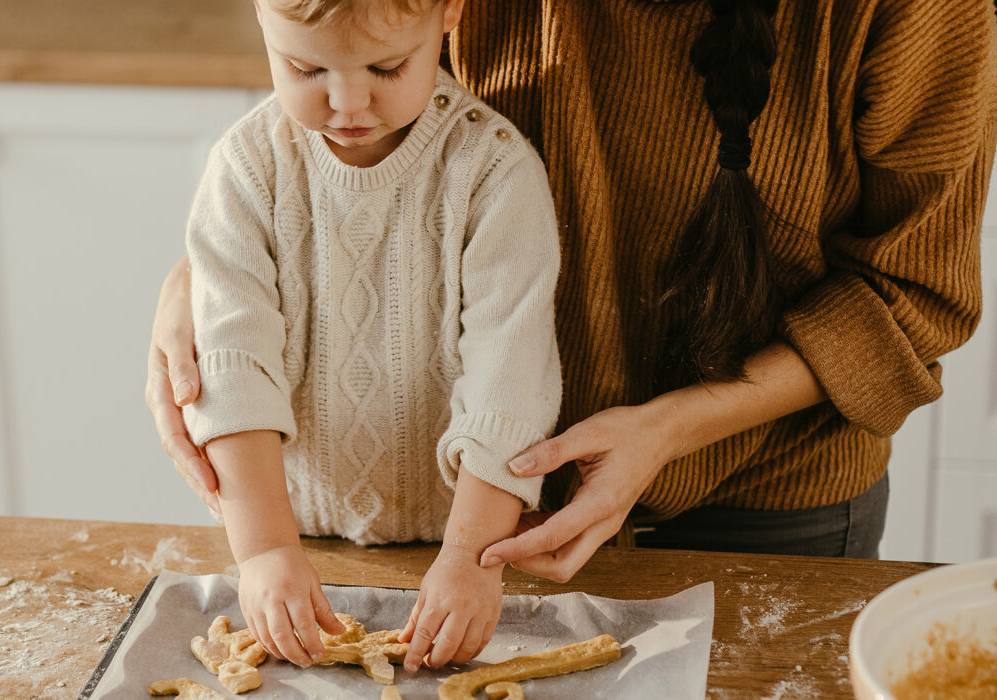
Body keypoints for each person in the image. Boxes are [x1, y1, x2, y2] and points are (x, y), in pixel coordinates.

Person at [149, 0, 997, 649]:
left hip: (758, 495)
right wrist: (208, 275)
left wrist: (672, 425)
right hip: (445, 507)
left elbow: (908, 290)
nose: (348, 98)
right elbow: (330, 144)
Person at [175, 0, 563, 674]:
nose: (347, 101)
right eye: (306, 67)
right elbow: (234, 372)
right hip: (287, 540)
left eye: (387, 66)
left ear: (448, 13)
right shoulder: (246, 167)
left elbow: (511, 378)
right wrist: (264, 553)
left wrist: (470, 558)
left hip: (467, 545)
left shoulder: (493, 171)